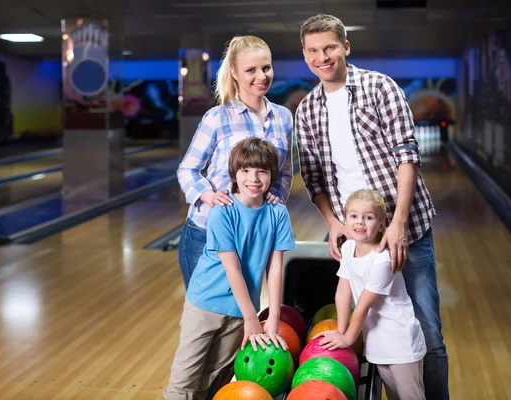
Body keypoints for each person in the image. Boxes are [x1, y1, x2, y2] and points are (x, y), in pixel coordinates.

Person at [295, 14, 449, 399]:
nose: (322, 56)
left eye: (329, 47)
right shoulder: (308, 110)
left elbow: (407, 156)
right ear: (304, 55)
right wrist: (332, 221)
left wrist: (396, 224)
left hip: (405, 229)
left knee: (427, 331)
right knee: (373, 334)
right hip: (357, 236)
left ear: (345, 47)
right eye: (313, 51)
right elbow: (315, 180)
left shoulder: (380, 87)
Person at [164, 137, 297, 400]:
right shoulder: (222, 212)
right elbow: (233, 269)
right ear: (234, 174)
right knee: (184, 381)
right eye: (246, 170)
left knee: (214, 379)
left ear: (272, 175)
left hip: (240, 311)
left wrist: (271, 320)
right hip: (205, 304)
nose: (254, 178)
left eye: (262, 171)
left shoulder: (277, 213)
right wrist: (252, 319)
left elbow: (275, 267)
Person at [176, 35, 294, 289]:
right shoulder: (218, 117)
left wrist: (277, 195)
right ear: (234, 72)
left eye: (266, 67)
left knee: (244, 316)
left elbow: (283, 172)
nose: (261, 76)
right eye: (251, 70)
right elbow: (188, 169)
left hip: (254, 234)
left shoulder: (284, 117)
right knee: (205, 318)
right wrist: (208, 196)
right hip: (206, 231)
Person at [314, 189, 426, 400]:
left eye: (369, 217)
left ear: (382, 224)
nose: (360, 222)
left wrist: (348, 338)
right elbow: (342, 292)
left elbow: (363, 307)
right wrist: (340, 330)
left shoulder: (383, 260)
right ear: (345, 219)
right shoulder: (347, 248)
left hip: (400, 342)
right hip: (377, 343)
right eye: (353, 216)